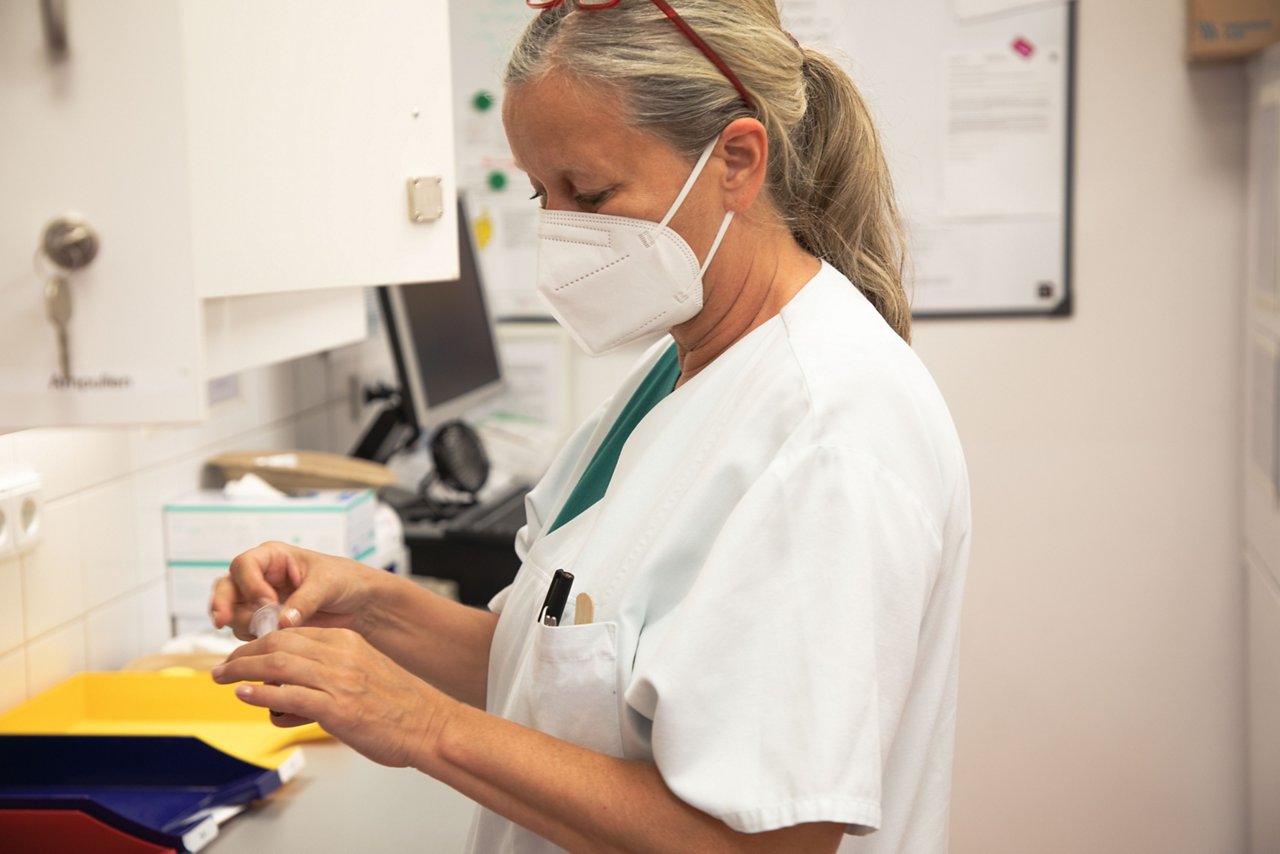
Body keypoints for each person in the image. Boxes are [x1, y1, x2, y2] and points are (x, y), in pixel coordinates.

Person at [208, 1, 971, 851]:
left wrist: (420, 725)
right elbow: (556, 668)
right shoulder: (680, 371)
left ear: (738, 162)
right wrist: (369, 604)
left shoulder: (832, 423)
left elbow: (765, 843)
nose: (561, 228)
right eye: (544, 193)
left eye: (591, 191)